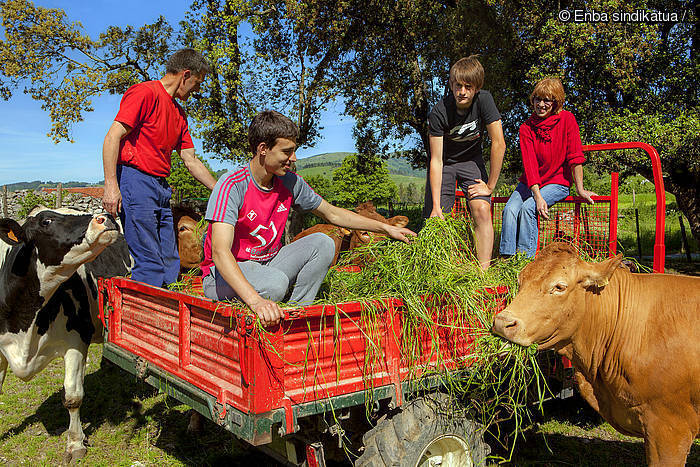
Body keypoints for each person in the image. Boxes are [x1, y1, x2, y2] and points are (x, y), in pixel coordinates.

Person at [202, 111, 416, 326]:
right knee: (275, 284)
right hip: (224, 275)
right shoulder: (231, 185)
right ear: (263, 149)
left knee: (323, 242)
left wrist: (385, 228)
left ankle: (297, 315)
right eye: (287, 151)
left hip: (268, 265)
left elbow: (332, 213)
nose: (293, 158)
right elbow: (220, 252)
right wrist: (256, 302)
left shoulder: (290, 182)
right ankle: (273, 303)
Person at [101, 48, 217, 287]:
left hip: (162, 187)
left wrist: (221, 190)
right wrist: (111, 185)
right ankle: (146, 317)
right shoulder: (145, 93)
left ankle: (172, 312)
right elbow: (113, 136)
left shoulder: (179, 114)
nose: (197, 89)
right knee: (149, 261)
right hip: (136, 181)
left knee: (170, 258)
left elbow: (190, 159)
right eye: (197, 82)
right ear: (185, 74)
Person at [424, 55, 506, 270]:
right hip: (446, 163)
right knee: (438, 217)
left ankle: (483, 272)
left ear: (477, 87)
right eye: (458, 85)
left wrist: (490, 187)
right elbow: (436, 160)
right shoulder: (439, 111)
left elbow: (498, 144)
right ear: (451, 85)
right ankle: (440, 270)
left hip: (471, 160)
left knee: (481, 208)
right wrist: (435, 206)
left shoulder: (485, 101)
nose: (462, 92)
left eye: (468, 86)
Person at [499, 78, 597, 258]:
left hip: (557, 182)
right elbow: (530, 164)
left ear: (556, 102)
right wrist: (537, 195)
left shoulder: (567, 119)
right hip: (532, 182)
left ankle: (525, 260)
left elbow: (575, 156)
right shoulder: (526, 128)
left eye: (547, 100)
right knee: (510, 209)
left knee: (528, 208)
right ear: (532, 100)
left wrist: (580, 189)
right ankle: (507, 260)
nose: (541, 105)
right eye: (538, 99)